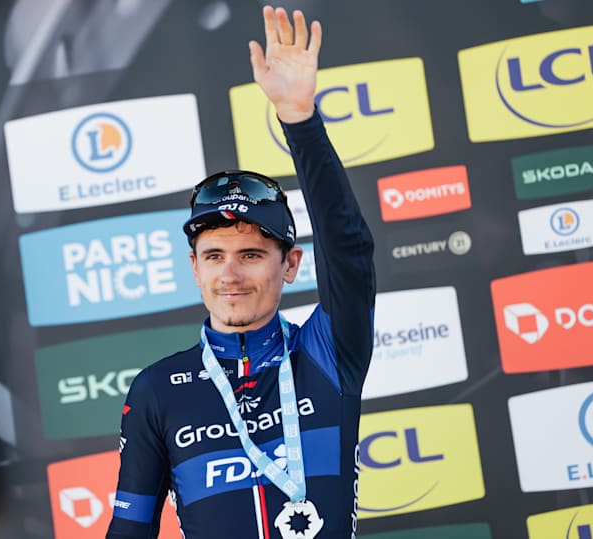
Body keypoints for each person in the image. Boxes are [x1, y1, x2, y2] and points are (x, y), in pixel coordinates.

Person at [106, 5, 376, 539]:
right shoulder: (159, 390)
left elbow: (349, 249)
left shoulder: (327, 355)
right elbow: (129, 530)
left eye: (251, 254)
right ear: (195, 269)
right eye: (214, 256)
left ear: (290, 264)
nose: (230, 273)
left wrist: (299, 120)